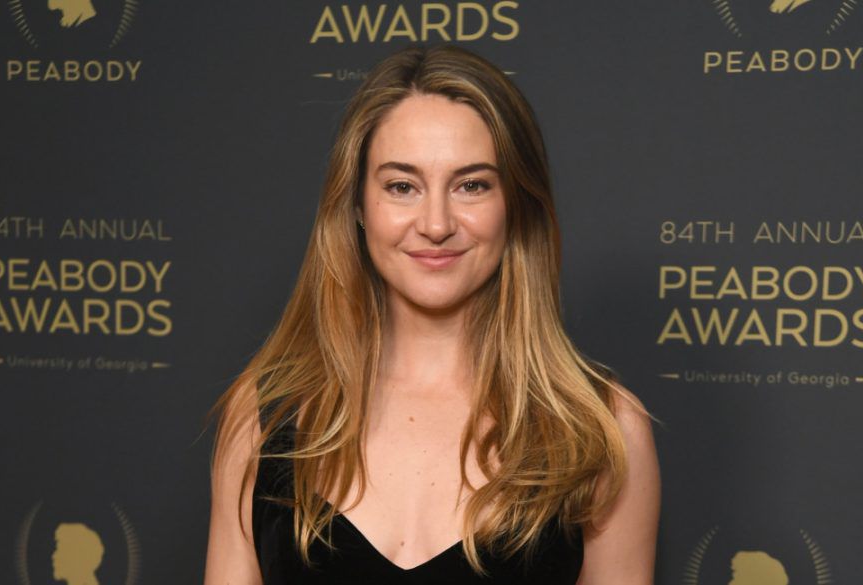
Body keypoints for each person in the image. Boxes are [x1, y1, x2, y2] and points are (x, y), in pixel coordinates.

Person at [204, 43, 660, 584]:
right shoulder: (263, 417)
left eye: (472, 185)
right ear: (356, 204)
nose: (436, 222)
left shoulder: (601, 428)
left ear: (517, 204)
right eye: (402, 186)